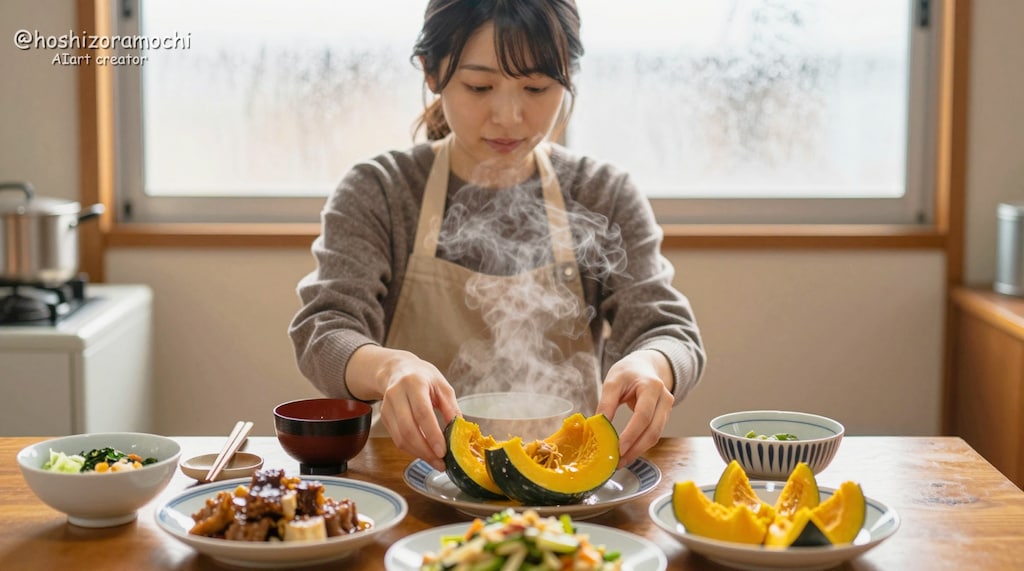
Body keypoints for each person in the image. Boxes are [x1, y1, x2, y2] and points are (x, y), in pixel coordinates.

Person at [289, 0, 705, 473]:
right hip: (411, 478)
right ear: (431, 71)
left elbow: (668, 332)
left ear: (569, 75)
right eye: (479, 85)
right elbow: (322, 330)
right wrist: (388, 369)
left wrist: (652, 365)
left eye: (536, 86)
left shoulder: (602, 193)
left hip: (564, 482)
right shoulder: (381, 190)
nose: (509, 116)